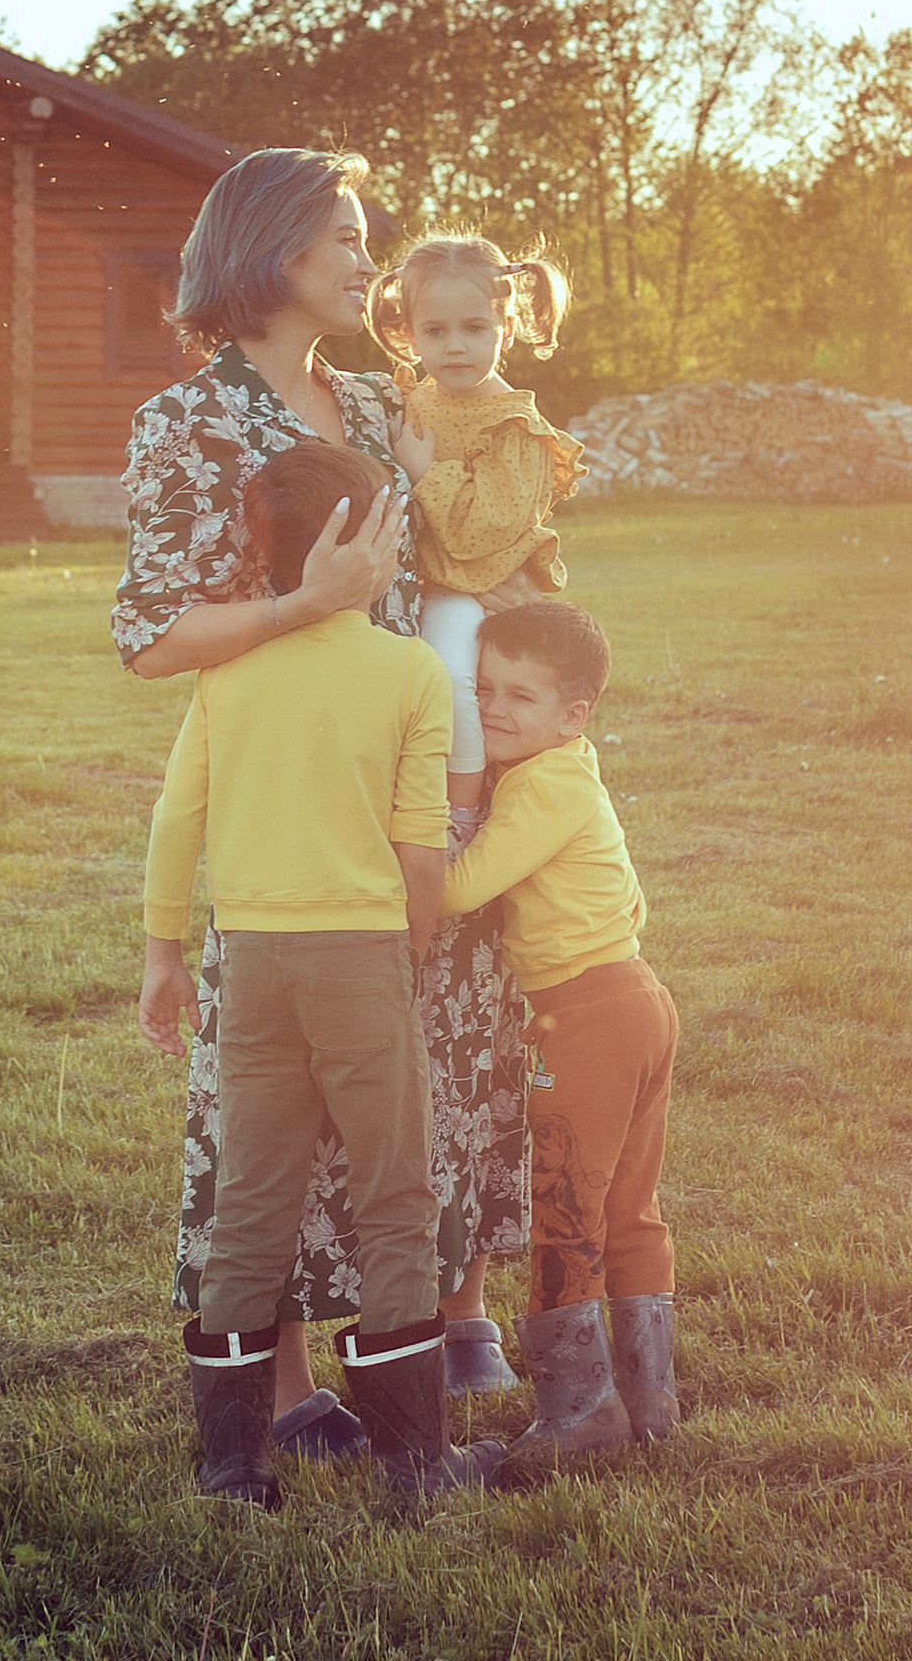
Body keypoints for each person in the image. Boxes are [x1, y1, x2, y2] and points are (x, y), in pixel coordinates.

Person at [113, 146, 530, 1444]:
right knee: (274, 1099)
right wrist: (305, 607)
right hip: (286, 806)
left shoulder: (377, 393)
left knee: (432, 1069)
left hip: (413, 779)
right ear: (272, 247)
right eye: (344, 235)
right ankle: (285, 1389)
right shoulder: (189, 421)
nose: (368, 259)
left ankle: (421, 1338)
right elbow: (154, 634)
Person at [142, 441, 502, 1510]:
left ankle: (232, 1469)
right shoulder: (408, 674)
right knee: (396, 1204)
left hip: (251, 964)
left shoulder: (228, 669)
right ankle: (416, 1469)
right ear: (369, 544)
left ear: (265, 553)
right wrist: (414, 949)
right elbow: (421, 852)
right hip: (360, 964)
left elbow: (176, 823)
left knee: (250, 1206)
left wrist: (166, 954)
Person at [443, 599, 681, 1484]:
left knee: (568, 1209)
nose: (495, 709)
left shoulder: (539, 786)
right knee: (628, 1205)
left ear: (574, 715)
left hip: (584, 1017)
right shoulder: (573, 772)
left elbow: (463, 887)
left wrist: (404, 852)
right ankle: (650, 1402)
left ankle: (578, 1410)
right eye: (484, 689)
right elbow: (625, 899)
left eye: (522, 696)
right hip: (636, 996)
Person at [367, 233, 581, 825]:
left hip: (474, 587)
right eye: (435, 332)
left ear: (504, 330)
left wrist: (425, 470)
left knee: (449, 672)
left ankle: (457, 814)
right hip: (419, 583)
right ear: (410, 335)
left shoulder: (514, 424)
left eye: (474, 329)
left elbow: (475, 534)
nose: (455, 347)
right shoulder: (415, 400)